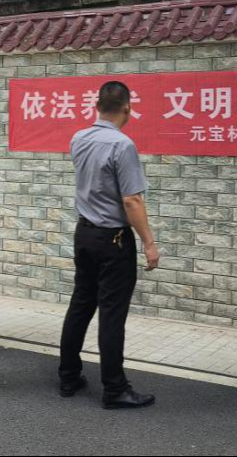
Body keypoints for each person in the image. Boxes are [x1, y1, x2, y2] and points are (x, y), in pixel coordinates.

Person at [58, 81, 160, 410]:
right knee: (112, 314)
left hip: (84, 233)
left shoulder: (79, 138)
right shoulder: (122, 144)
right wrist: (149, 242)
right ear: (127, 108)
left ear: (97, 106)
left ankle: (68, 375)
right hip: (113, 239)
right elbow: (131, 200)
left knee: (81, 304)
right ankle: (115, 389)